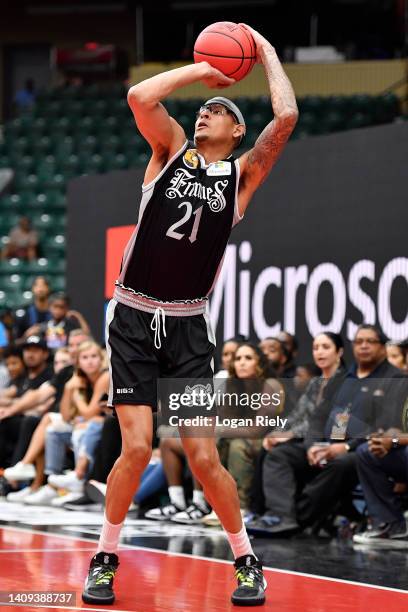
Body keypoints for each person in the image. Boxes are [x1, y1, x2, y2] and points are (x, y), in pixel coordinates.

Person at [82, 23, 298, 608]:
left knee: (203, 457)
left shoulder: (242, 176)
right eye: (202, 109)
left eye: (218, 110)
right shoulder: (170, 150)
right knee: (135, 447)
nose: (205, 114)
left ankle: (247, 560)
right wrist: (205, 72)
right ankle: (104, 557)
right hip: (131, 315)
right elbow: (139, 98)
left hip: (187, 324)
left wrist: (268, 53)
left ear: (238, 130)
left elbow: (285, 120)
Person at [246, 332, 346, 536]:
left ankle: (282, 515)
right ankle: (265, 512)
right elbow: (298, 415)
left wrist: (292, 434)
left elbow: (331, 422)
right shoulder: (316, 383)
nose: (320, 352)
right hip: (307, 440)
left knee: (279, 454)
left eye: (326, 347)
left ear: (339, 352)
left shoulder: (345, 381)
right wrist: (278, 432)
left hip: (329, 441)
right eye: (316, 347)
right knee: (270, 447)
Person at [14, 276, 52, 341]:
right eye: (37, 285)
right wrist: (26, 335)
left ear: (48, 288)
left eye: (43, 285)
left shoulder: (56, 312)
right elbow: (15, 343)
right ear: (32, 289)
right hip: (30, 348)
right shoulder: (24, 313)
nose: (40, 289)